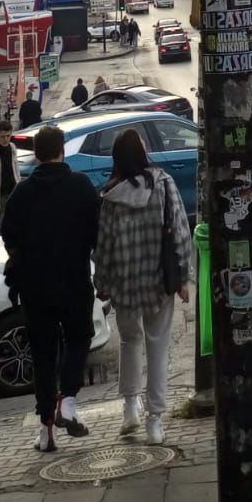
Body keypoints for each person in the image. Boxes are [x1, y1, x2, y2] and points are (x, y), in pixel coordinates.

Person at [1, 126, 100, 453]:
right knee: (79, 338)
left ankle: (45, 431)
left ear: (37, 154)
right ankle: (67, 400)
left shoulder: (22, 193)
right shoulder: (81, 186)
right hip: (74, 281)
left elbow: (9, 237)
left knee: (43, 355)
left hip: (35, 287)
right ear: (62, 150)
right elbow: (97, 233)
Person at [93, 128, 191, 446]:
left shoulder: (111, 196)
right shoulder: (163, 184)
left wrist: (102, 282)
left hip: (125, 285)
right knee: (157, 347)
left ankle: (130, 408)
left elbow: (103, 246)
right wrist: (182, 277)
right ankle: (154, 422)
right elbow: (180, 231)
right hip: (158, 282)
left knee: (129, 341)